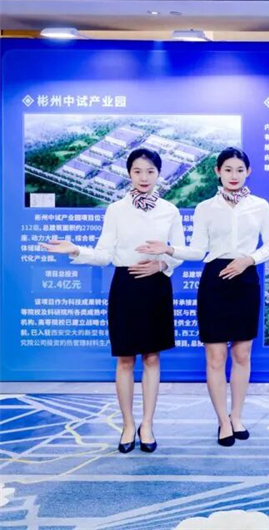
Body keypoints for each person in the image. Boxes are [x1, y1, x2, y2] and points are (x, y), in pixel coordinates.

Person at [42, 148, 183, 454]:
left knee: (152, 358)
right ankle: (128, 425)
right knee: (125, 359)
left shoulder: (170, 211)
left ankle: (147, 424)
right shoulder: (116, 210)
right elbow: (104, 254)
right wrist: (76, 250)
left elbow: (180, 252)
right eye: (137, 171)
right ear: (128, 173)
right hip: (126, 286)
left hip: (157, 286)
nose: (144, 177)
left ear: (159, 174)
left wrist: (161, 264)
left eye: (150, 171)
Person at [139, 147, 269, 447]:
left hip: (246, 279)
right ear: (217, 172)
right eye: (227, 169)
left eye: (239, 170)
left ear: (248, 172)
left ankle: (236, 416)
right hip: (214, 281)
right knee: (215, 357)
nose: (234, 175)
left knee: (242, 354)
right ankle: (222, 421)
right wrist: (169, 249)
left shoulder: (260, 205)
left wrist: (248, 259)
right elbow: (198, 249)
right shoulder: (205, 208)